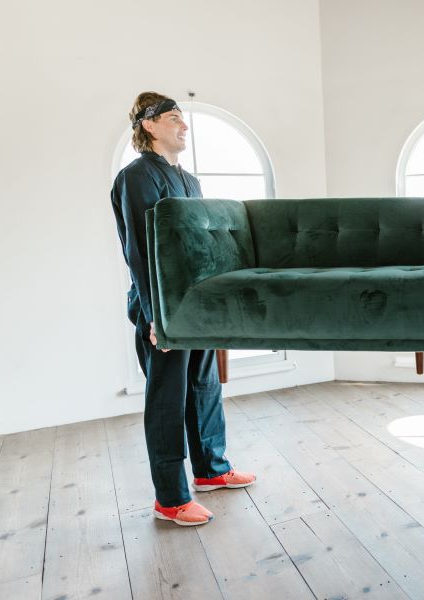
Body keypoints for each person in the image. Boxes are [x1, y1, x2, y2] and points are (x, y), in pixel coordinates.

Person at [111, 92, 256, 527]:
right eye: (174, 118)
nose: (184, 126)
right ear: (149, 125)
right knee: (167, 400)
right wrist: (157, 314)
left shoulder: (191, 182)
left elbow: (203, 247)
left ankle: (211, 470)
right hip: (163, 307)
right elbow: (139, 251)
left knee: (205, 386)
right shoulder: (135, 178)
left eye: (184, 119)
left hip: (196, 303)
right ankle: (171, 499)